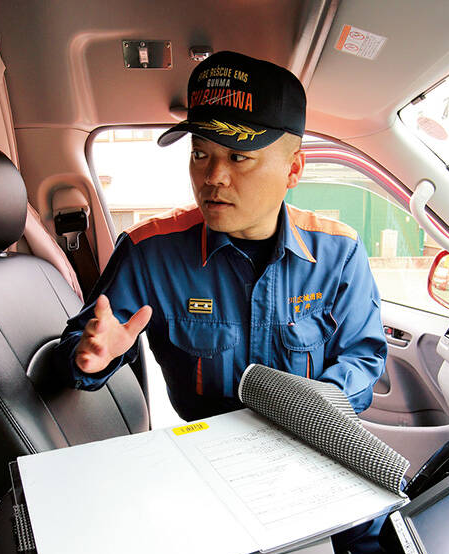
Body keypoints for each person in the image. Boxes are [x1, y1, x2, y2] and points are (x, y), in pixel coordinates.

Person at [55, 50, 387, 421]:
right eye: (200, 154)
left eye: (237, 157)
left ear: (293, 169)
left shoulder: (338, 252)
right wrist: (93, 360)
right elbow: (80, 346)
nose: (212, 177)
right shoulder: (149, 251)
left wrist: (307, 415)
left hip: (307, 442)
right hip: (203, 450)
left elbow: (362, 356)